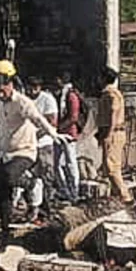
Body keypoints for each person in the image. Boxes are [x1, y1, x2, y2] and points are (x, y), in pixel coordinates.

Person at [0, 73, 68, 233]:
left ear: (10, 85)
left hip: (25, 151)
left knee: (8, 175)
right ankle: (5, 226)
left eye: (2, 91)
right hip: (6, 152)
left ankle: (31, 184)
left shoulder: (22, 102)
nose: (0, 95)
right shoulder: (0, 102)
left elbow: (38, 119)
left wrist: (54, 134)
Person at [95, 66, 132, 203]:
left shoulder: (112, 94)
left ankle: (125, 197)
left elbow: (113, 115)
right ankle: (117, 196)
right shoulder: (106, 94)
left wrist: (109, 134)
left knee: (112, 167)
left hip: (114, 132)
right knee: (107, 166)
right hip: (109, 132)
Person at [55, 71, 84, 202]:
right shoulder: (61, 95)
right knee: (56, 164)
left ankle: (74, 191)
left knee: (71, 163)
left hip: (69, 134)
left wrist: (59, 128)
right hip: (60, 134)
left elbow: (73, 117)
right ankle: (64, 190)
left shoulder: (71, 95)